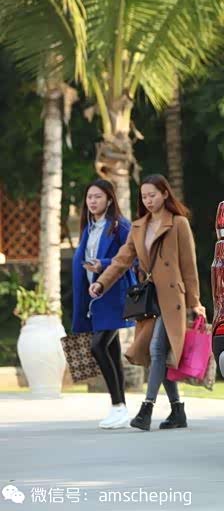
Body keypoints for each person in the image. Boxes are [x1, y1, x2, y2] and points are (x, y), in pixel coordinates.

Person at [90, 174, 206, 431]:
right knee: (158, 355)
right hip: (149, 300)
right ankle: (177, 410)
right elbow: (121, 260)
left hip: (173, 298)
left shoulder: (178, 223)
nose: (148, 200)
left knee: (156, 349)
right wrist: (102, 283)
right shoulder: (138, 227)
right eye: (144, 196)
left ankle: (147, 408)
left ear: (165, 194)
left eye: (152, 195)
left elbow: (189, 267)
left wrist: (195, 302)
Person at [71, 180, 136, 429]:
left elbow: (133, 258)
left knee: (98, 347)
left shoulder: (120, 226)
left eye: (98, 196)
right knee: (112, 351)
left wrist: (104, 264)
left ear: (109, 199)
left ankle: (118, 405)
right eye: (89, 197)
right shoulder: (88, 228)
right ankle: (120, 409)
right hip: (94, 299)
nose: (92, 201)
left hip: (114, 296)